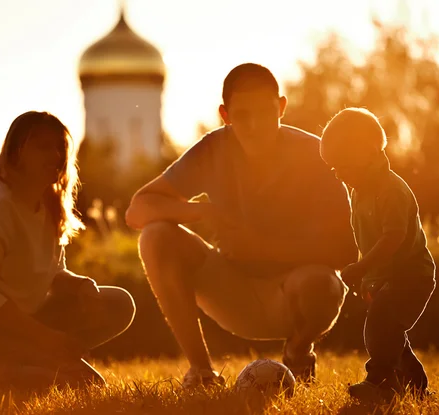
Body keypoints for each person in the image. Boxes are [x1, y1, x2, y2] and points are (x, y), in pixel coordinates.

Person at [125, 63, 358, 388]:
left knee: (322, 285)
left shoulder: (315, 154)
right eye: (243, 115)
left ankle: (299, 350)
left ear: (281, 107)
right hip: (231, 289)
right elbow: (137, 210)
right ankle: (202, 373)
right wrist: (207, 211)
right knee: (155, 236)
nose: (255, 125)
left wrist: (264, 247)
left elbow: (347, 249)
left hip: (294, 294)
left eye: (265, 112)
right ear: (225, 114)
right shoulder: (214, 148)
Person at [0, 111, 136, 394]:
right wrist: (45, 338)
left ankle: (23, 362)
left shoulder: (50, 206)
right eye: (42, 146)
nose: (54, 155)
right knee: (78, 384)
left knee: (118, 303)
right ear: (17, 151)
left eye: (59, 147)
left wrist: (78, 285)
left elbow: (51, 272)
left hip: (22, 318)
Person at [320, 107, 436, 402]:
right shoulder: (358, 191)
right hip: (385, 277)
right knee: (391, 334)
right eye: (332, 167)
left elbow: (392, 239)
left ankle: (380, 382)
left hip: (411, 276)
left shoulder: (391, 190)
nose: (336, 173)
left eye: (341, 164)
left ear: (368, 152)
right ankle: (416, 387)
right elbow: (366, 237)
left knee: (379, 327)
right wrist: (368, 278)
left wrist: (360, 268)